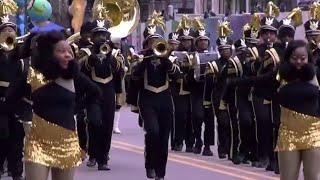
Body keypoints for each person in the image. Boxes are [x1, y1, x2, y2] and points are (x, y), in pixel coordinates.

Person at [22, 31, 101, 180]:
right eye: (61, 51)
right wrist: (23, 117)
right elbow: (12, 98)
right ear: (49, 54)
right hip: (38, 141)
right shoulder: (33, 74)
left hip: (66, 142)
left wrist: (78, 108)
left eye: (69, 51)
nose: (67, 55)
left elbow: (95, 92)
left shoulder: (74, 76)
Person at [132, 11, 180, 180]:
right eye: (151, 41)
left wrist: (165, 59)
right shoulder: (141, 58)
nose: (154, 44)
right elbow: (134, 76)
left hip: (165, 100)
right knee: (153, 132)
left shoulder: (170, 58)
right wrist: (145, 60)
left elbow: (177, 75)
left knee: (163, 137)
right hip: (147, 100)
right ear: (147, 43)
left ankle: (161, 172)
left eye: (156, 41)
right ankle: (149, 165)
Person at [276, 40, 320, 180]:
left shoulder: (315, 73)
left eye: (303, 58)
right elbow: (261, 84)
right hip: (288, 134)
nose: (299, 62)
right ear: (288, 57)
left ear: (308, 58)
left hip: (313, 133)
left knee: (313, 176)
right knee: (288, 177)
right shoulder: (280, 75)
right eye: (294, 58)